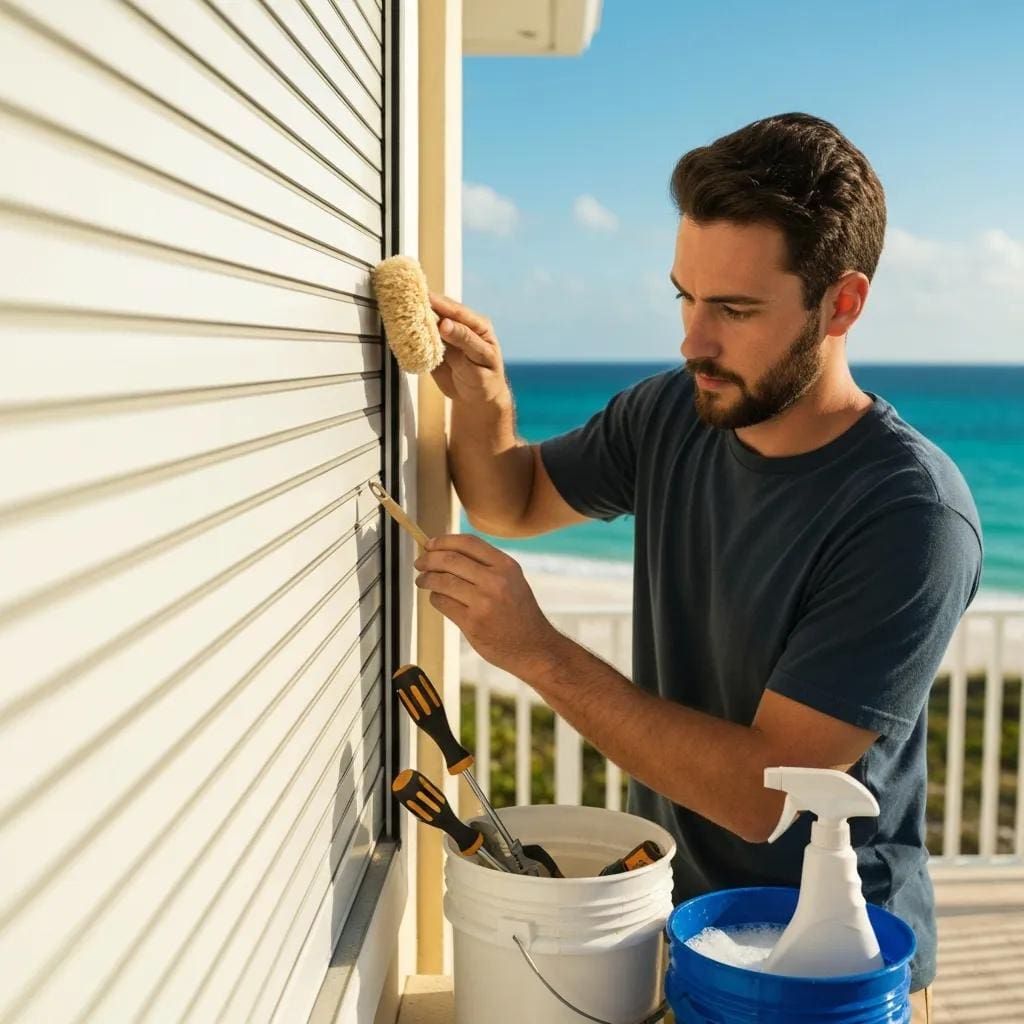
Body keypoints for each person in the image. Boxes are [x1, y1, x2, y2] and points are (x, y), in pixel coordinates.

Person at [412, 113, 981, 1023]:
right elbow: (512, 498)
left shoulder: (912, 516)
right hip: (675, 934)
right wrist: (485, 397)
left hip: (821, 966)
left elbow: (764, 796)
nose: (693, 341)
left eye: (735, 310)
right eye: (685, 297)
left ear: (841, 304)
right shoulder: (674, 413)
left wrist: (538, 652)